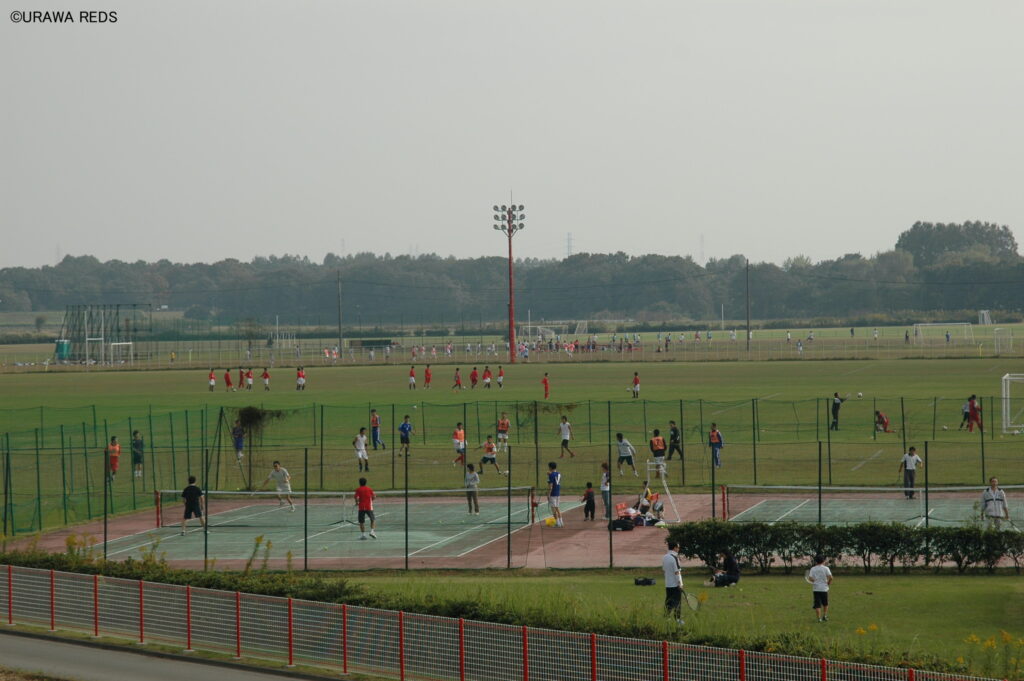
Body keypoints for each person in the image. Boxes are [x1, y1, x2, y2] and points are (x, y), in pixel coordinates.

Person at [662, 540, 684, 626]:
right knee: (677, 602)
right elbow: (677, 572)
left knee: (668, 601)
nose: (678, 549)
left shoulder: (664, 557)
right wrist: (680, 584)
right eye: (678, 547)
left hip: (668, 584)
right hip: (675, 585)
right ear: (674, 548)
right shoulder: (675, 558)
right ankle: (678, 619)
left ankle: (666, 618)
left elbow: (664, 570)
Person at [808, 554, 833, 622]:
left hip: (816, 589)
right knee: (825, 603)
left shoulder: (813, 569)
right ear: (823, 561)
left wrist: (815, 580)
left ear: (816, 561)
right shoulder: (826, 568)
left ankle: (819, 618)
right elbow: (831, 577)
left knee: (817, 605)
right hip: (824, 589)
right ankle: (824, 616)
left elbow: (810, 578)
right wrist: (828, 583)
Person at [547, 462, 563, 527]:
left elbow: (550, 485)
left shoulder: (551, 475)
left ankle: (557, 523)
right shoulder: (559, 474)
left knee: (553, 509)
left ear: (550, 467)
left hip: (553, 494)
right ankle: (561, 522)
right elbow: (556, 481)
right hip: (558, 493)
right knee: (557, 508)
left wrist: (548, 494)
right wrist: (549, 475)